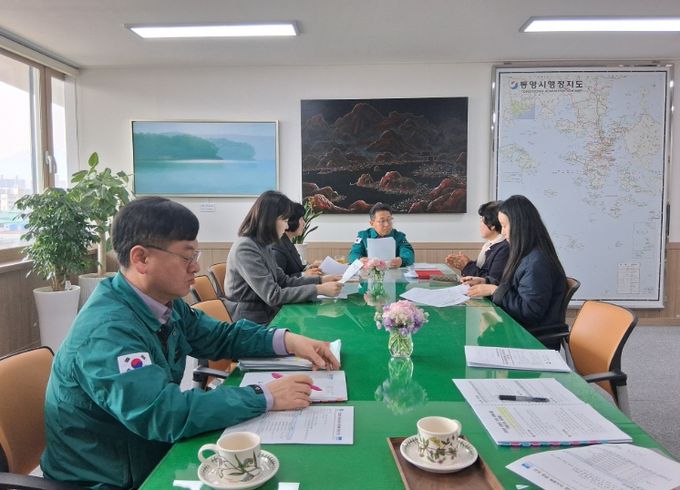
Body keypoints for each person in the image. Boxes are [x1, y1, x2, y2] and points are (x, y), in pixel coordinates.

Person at [40, 196, 340, 489]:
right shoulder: (107, 332)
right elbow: (163, 413)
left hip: (151, 454)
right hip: (109, 479)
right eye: (187, 256)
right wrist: (264, 396)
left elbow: (221, 336)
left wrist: (287, 340)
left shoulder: (162, 303)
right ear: (141, 258)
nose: (195, 267)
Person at [224, 191, 342, 324]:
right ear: (270, 220)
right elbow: (273, 295)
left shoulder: (263, 244)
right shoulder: (245, 248)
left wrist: (321, 280)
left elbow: (284, 281)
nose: (287, 226)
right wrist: (319, 289)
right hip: (251, 321)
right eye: (285, 220)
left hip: (267, 312)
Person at [465, 195, 566, 348]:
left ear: (520, 226)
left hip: (530, 341)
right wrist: (486, 281)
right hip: (518, 331)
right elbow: (514, 286)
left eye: (505, 226)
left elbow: (529, 311)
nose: (503, 232)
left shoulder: (537, 263)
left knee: (478, 343)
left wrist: (494, 290)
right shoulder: (527, 254)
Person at [446, 200, 508, 285]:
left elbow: (492, 281)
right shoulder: (490, 244)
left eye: (482, 220)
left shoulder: (504, 248)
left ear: (492, 225)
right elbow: (482, 271)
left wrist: (466, 266)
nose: (480, 224)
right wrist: (467, 264)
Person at [347, 202, 414, 267]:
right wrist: (360, 260)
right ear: (372, 223)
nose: (386, 224)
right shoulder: (363, 235)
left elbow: (409, 254)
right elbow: (353, 255)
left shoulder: (399, 236)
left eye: (389, 220)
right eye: (382, 221)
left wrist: (401, 261)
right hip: (369, 273)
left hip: (394, 272)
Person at [270, 202, 322, 277]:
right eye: (301, 219)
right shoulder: (278, 248)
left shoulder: (287, 242)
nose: (304, 223)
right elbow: (279, 280)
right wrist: (304, 274)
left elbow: (296, 269)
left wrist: (310, 267)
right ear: (292, 221)